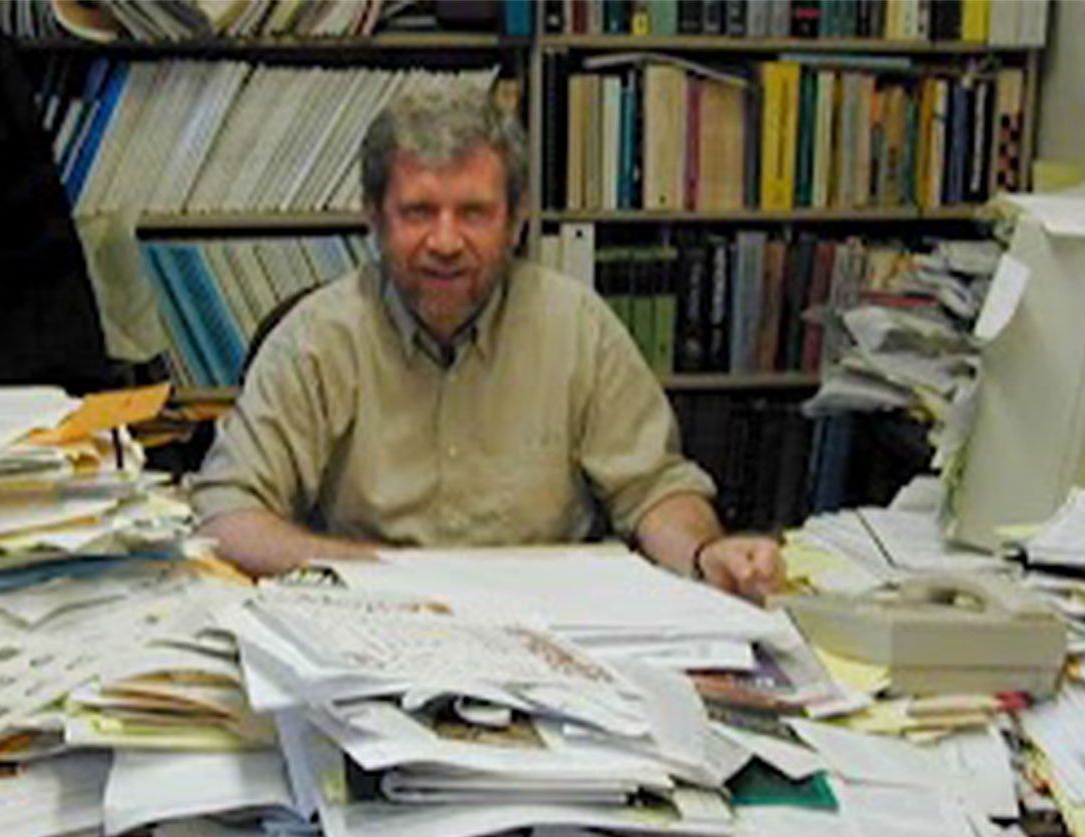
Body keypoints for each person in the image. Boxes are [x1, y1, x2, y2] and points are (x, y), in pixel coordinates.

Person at [190, 83, 783, 600]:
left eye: (473, 212)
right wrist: (380, 576)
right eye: (419, 211)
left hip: (548, 631)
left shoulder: (576, 325)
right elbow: (225, 513)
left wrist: (706, 558)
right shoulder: (317, 338)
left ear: (516, 220)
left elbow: (654, 491)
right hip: (365, 619)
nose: (445, 242)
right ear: (374, 218)